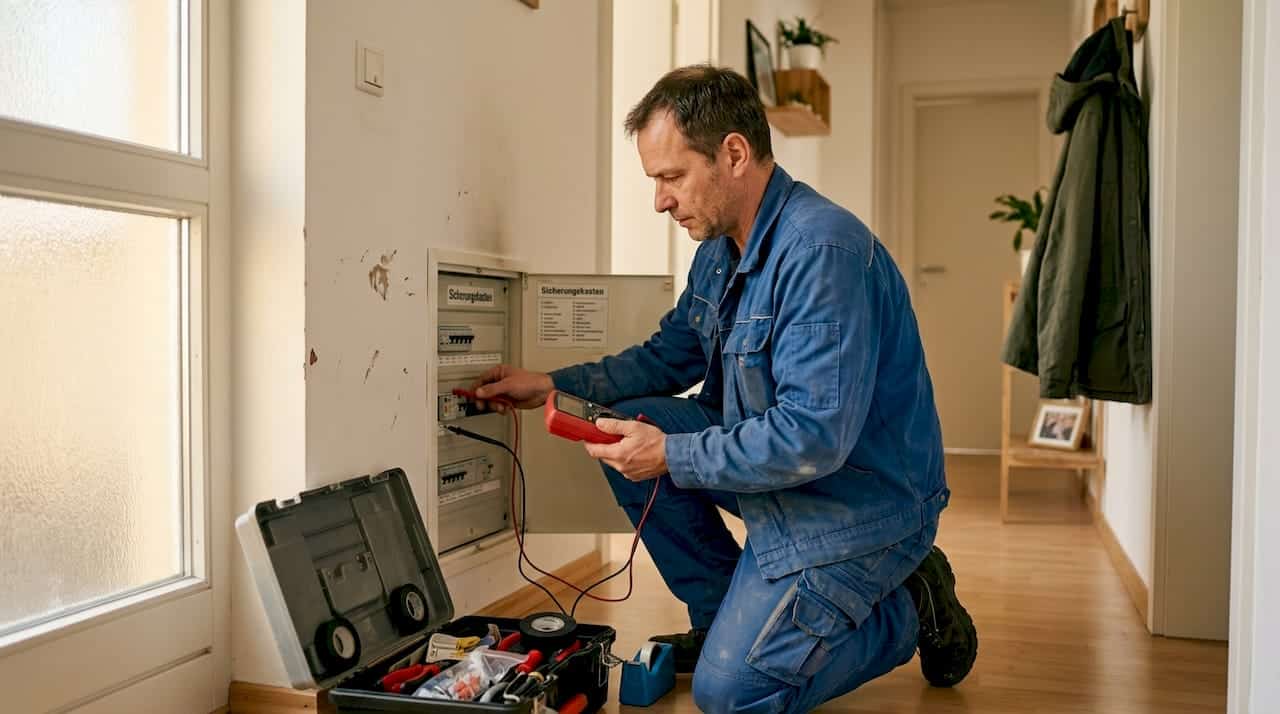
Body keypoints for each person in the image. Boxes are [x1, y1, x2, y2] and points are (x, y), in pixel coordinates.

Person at [474, 65, 977, 713]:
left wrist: (672, 454)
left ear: (734, 154)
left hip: (855, 506)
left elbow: (813, 438)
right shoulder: (720, 249)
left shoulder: (822, 252)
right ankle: (719, 619)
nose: (660, 201)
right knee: (622, 424)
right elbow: (667, 357)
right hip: (783, 480)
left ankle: (910, 604)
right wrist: (548, 383)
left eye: (671, 177)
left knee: (730, 695)